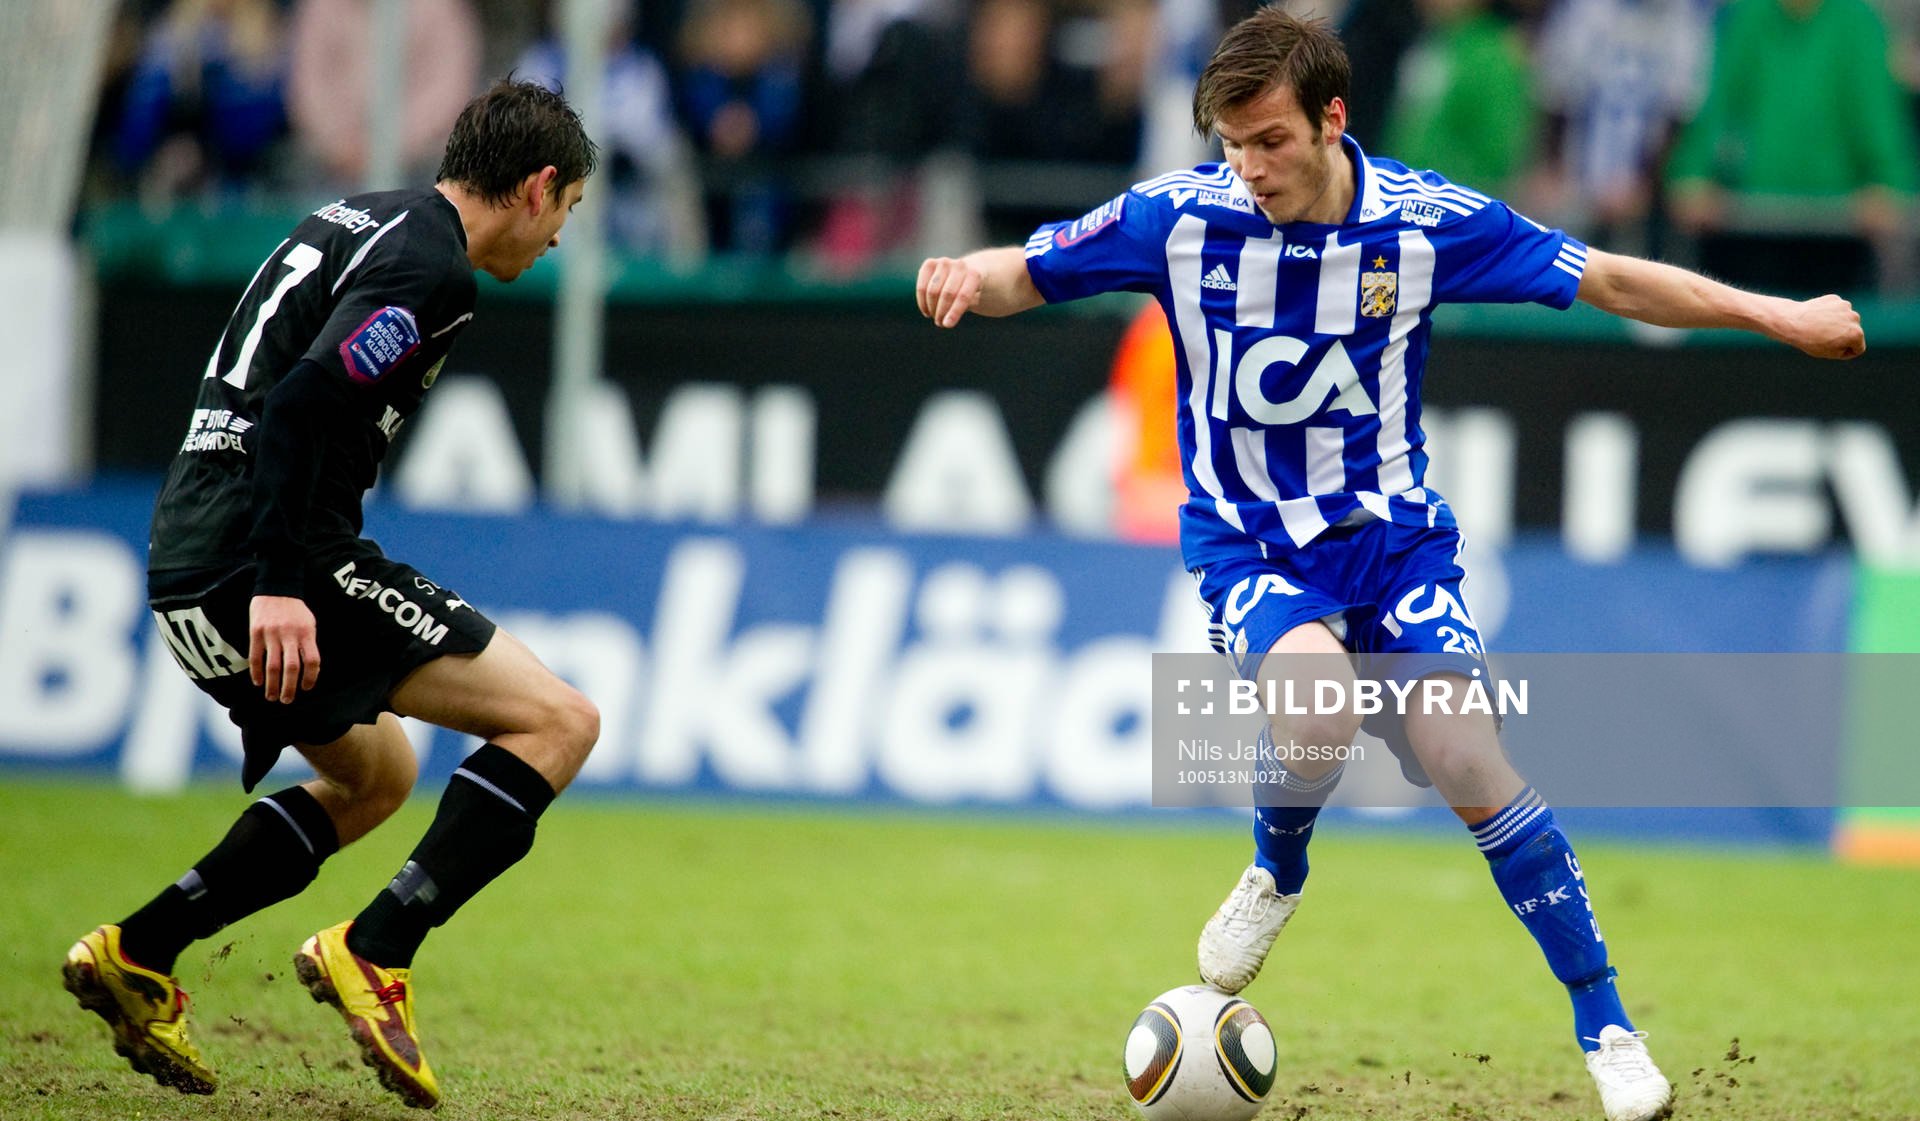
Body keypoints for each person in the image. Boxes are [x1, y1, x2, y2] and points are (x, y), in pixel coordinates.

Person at [915, 11, 1862, 1121]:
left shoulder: (1425, 223)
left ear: (1332, 117)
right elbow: (1031, 268)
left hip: (1396, 539)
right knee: (1315, 710)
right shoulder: (1179, 216)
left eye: (1270, 140)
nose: (1250, 167)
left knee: (1466, 753)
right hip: (1252, 539)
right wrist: (963, 276)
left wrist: (1780, 316)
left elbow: (1609, 280)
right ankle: (1278, 866)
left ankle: (1605, 1023)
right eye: (1231, 142)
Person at [63, 79, 601, 1110]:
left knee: (378, 775)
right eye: (566, 213)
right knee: (560, 720)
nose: (556, 240)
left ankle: (140, 949)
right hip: (268, 560)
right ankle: (377, 946)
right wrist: (278, 585)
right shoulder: (432, 267)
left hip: (183, 557)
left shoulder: (360, 218)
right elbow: (305, 404)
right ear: (537, 187)